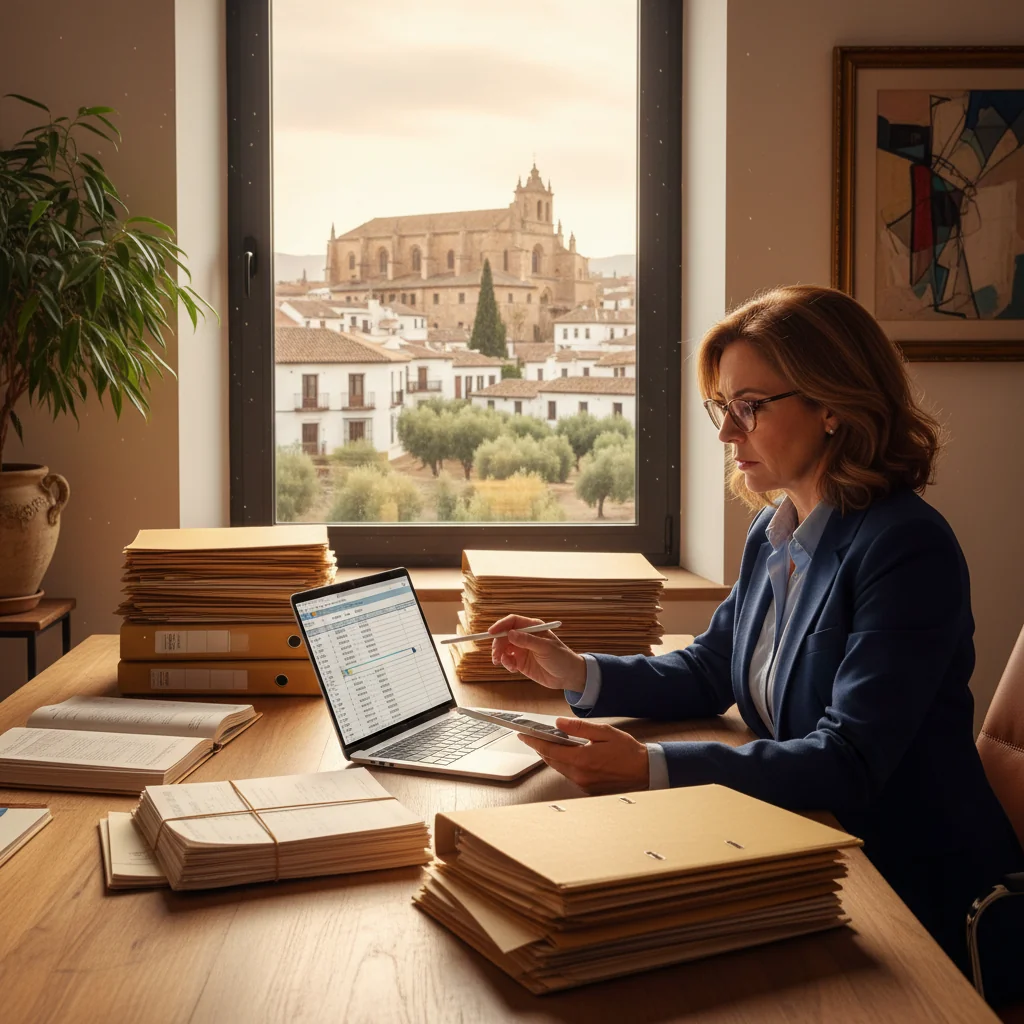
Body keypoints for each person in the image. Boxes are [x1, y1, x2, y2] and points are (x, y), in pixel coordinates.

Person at [488, 285, 1023, 1003]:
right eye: (723, 407)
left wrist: (649, 767)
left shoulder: (905, 547)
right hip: (811, 840)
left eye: (749, 407)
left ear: (832, 405)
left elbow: (851, 761)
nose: (726, 434)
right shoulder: (775, 531)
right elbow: (714, 669)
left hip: (908, 886)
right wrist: (575, 669)